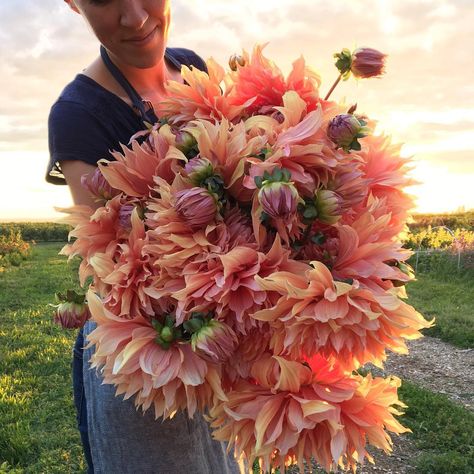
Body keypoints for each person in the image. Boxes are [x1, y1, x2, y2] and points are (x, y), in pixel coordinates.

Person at [46, 1, 241, 473]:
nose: (134, 18)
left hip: (225, 332)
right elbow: (113, 265)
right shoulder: (77, 114)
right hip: (148, 347)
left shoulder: (192, 66)